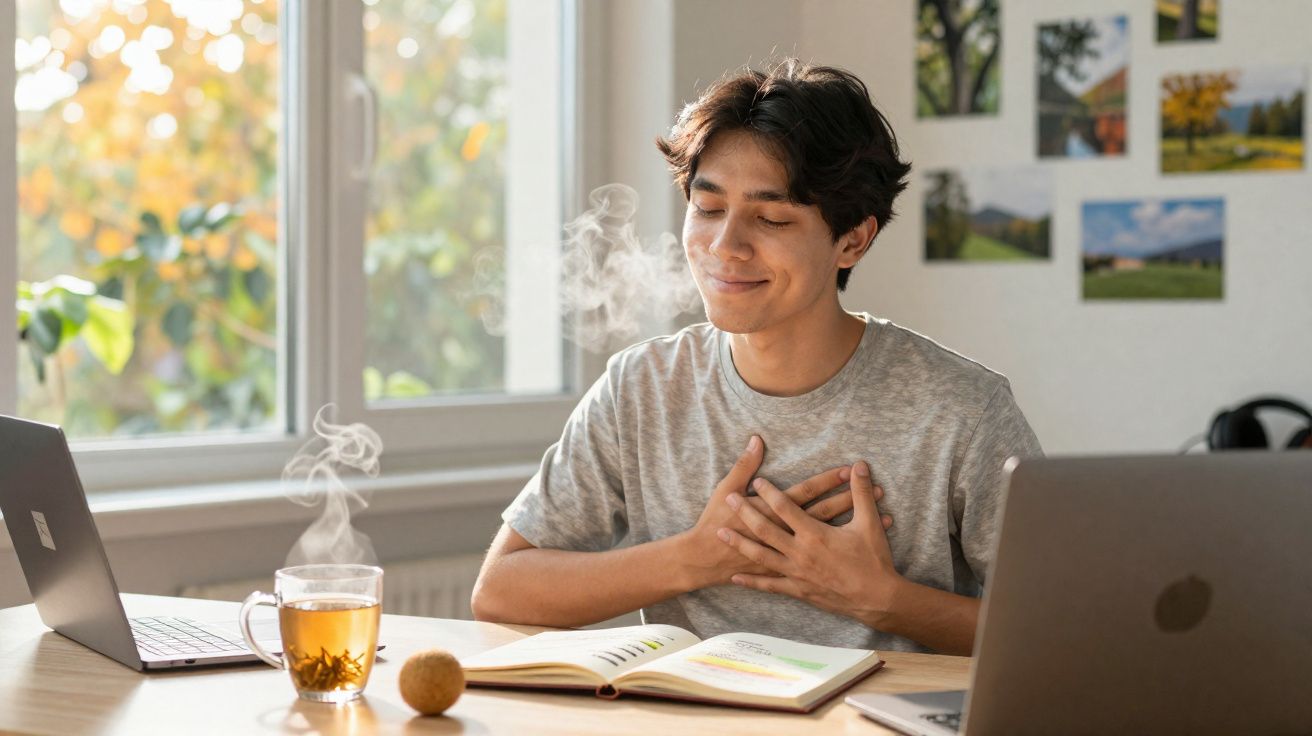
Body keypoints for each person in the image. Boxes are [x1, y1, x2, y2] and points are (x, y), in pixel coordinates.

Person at [470, 59, 1042, 655]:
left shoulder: (963, 411)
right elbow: (501, 592)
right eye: (708, 208)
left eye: (770, 217)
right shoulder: (641, 389)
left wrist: (884, 601)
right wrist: (696, 557)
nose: (725, 247)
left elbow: (1064, 636)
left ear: (853, 239)